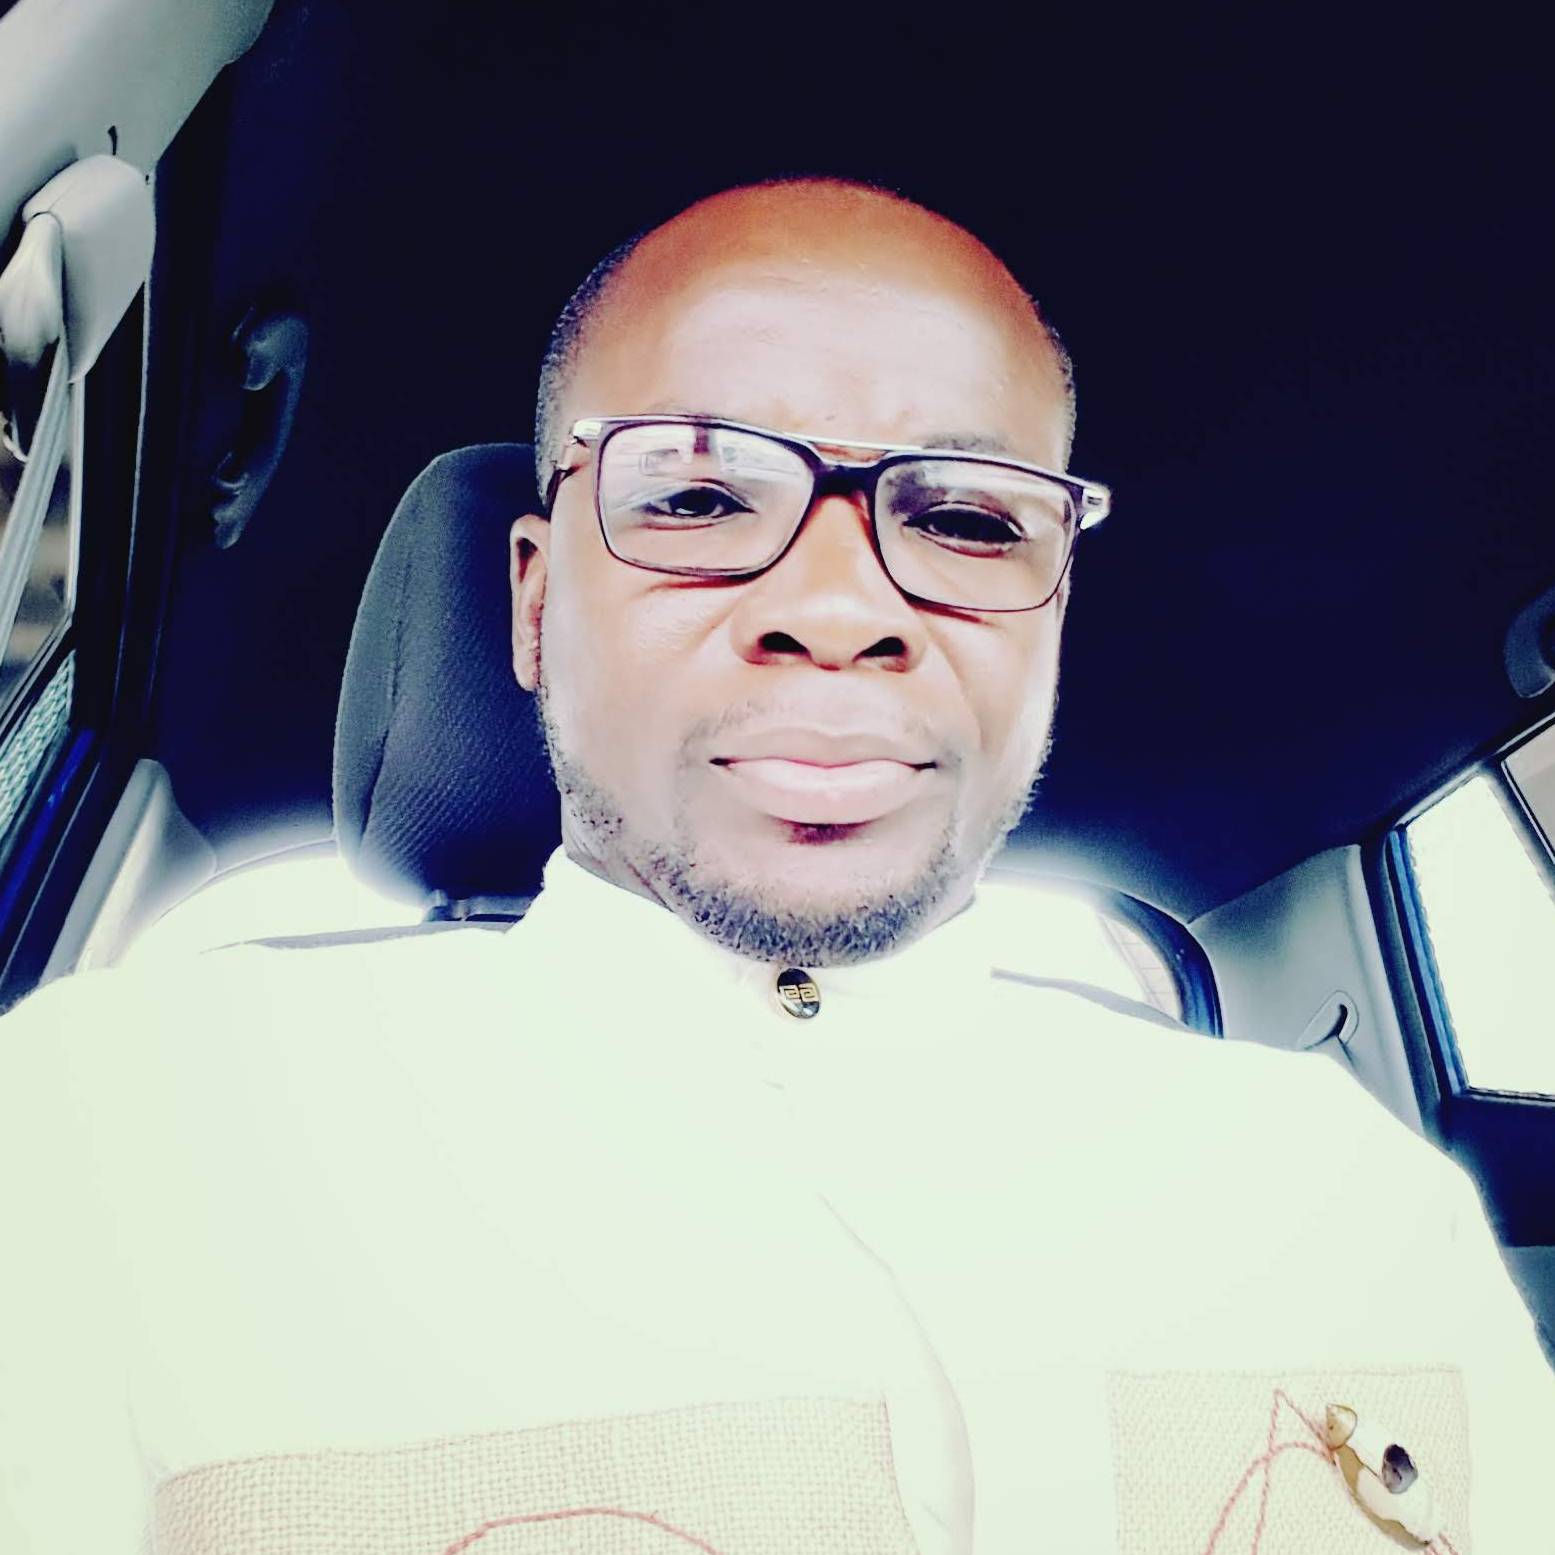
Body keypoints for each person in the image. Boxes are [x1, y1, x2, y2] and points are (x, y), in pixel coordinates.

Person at [1, 177, 1550, 1555]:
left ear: (1053, 614)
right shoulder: (113, 1149)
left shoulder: (1348, 1200)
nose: (840, 607)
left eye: (968, 519)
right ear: (534, 606)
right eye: (692, 497)